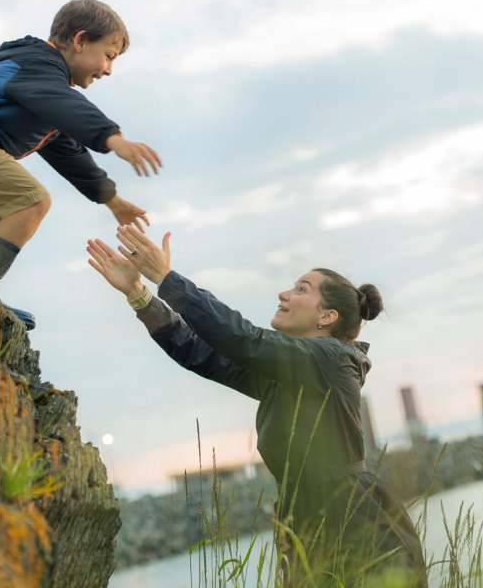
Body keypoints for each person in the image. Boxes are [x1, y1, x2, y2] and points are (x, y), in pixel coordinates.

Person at [86, 226, 428, 586]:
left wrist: (166, 278)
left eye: (301, 290)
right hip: (306, 519)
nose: (283, 293)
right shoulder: (291, 370)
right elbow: (201, 354)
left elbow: (242, 339)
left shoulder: (332, 359)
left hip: (353, 518)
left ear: (326, 317)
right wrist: (139, 295)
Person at [0, 0, 161, 329]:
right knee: (31, 202)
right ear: (81, 41)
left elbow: (68, 153)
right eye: (108, 56)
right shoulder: (39, 67)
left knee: (11, 214)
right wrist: (113, 138)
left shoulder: (41, 86)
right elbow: (63, 103)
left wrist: (112, 200)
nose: (108, 69)